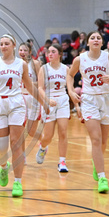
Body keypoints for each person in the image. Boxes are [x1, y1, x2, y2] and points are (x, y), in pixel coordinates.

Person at [0, 34, 45, 197]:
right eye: (1, 44)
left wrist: (45, 102)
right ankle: (3, 167)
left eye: (6, 43)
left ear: (13, 45)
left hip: (17, 104)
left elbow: (29, 87)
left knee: (16, 143)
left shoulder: (21, 64)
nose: (3, 46)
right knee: (1, 149)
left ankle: (18, 182)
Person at [67, 31, 109, 193]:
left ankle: (96, 162)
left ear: (102, 42)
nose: (96, 40)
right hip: (89, 100)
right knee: (96, 139)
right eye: (93, 37)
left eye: (98, 37)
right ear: (88, 42)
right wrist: (71, 92)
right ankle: (102, 177)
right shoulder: (80, 59)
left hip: (106, 99)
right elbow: (70, 76)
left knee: (103, 142)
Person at [37, 43, 70, 172]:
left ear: (60, 54)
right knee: (48, 136)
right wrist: (47, 100)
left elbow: (70, 87)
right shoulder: (44, 69)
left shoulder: (65, 69)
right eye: (48, 52)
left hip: (62, 100)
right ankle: (43, 147)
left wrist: (77, 105)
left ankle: (62, 161)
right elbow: (39, 88)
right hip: (48, 100)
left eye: (53, 51)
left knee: (63, 131)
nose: (49, 54)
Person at [19, 42, 42, 147]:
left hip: (33, 98)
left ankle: (44, 142)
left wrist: (29, 83)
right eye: (20, 50)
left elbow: (41, 82)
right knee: (19, 131)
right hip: (20, 98)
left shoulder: (35, 63)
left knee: (31, 131)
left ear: (30, 52)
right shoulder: (15, 64)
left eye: (25, 50)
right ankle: (22, 156)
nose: (22, 52)